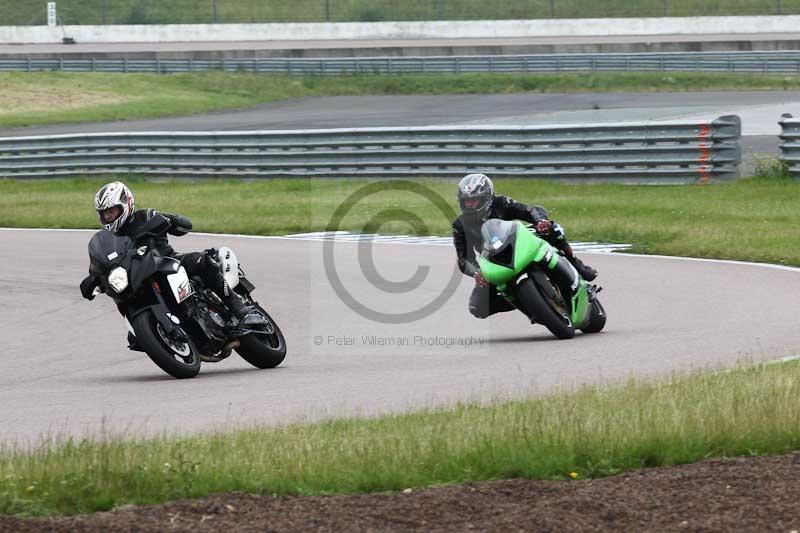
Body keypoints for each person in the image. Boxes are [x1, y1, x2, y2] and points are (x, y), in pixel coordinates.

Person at [79, 181, 266, 329]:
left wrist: (170, 220)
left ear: (126, 204)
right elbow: (100, 264)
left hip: (169, 261)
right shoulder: (108, 239)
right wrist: (92, 279)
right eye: (105, 214)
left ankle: (240, 310)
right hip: (138, 277)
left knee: (199, 261)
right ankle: (141, 329)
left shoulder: (146, 217)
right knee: (121, 296)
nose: (109, 217)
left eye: (112, 211)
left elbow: (185, 225)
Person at [452, 173, 598, 319]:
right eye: (466, 201)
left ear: (486, 197)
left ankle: (577, 265)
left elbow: (529, 210)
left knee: (553, 230)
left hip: (518, 244)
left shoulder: (501, 203)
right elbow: (463, 259)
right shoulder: (460, 225)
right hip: (494, 262)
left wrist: (540, 221)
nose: (469, 204)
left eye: (474, 200)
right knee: (477, 307)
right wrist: (476, 273)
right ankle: (525, 301)